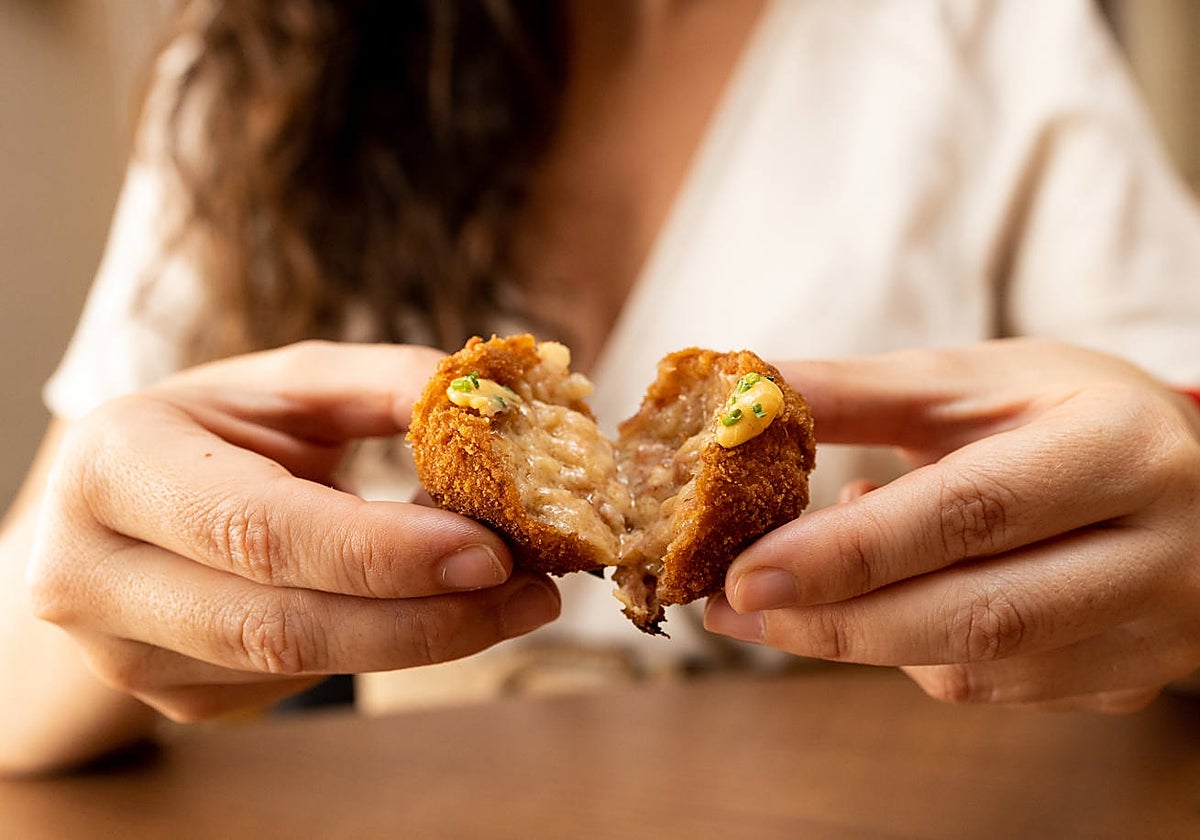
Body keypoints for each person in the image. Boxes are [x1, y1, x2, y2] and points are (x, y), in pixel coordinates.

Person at [3, 0, 1200, 777]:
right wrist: (97, 617)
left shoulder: (991, 32)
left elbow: (1168, 478)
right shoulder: (259, 66)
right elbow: (23, 652)